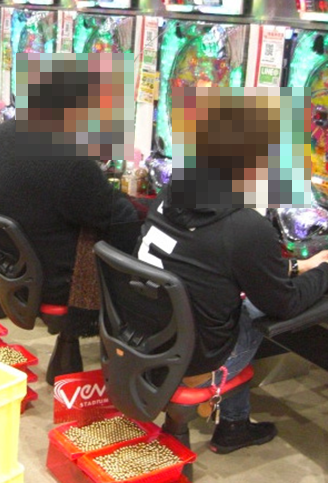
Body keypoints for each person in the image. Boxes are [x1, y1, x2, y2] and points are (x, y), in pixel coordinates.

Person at [135, 89, 328, 454]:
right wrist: (323, 270)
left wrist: (298, 265)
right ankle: (231, 422)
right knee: (252, 310)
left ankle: (234, 425)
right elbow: (283, 304)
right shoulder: (244, 227)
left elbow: (213, 263)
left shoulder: (171, 194)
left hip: (145, 336)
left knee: (239, 297)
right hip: (192, 360)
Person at [0, 57, 141, 384]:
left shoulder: (6, 131)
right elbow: (120, 218)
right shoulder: (70, 161)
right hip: (52, 278)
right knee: (137, 246)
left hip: (11, 263)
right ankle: (125, 326)